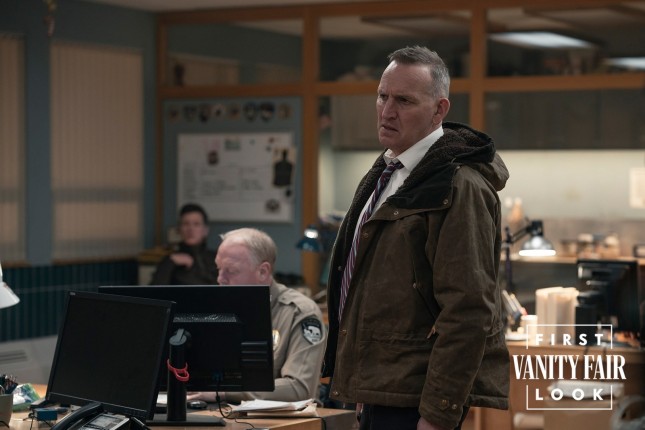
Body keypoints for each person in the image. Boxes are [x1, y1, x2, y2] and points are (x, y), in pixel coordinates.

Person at [322, 46, 510, 430]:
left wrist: (438, 414)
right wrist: (362, 384)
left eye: (404, 101)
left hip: (418, 399)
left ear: (439, 110)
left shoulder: (458, 185)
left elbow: (469, 311)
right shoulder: (387, 172)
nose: (387, 111)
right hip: (380, 389)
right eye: (382, 96)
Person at [188, 227, 326, 403]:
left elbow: (299, 388)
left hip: (280, 416)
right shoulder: (219, 308)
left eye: (231, 271)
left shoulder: (299, 312)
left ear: (263, 272)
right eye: (219, 269)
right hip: (217, 409)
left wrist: (223, 392)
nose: (220, 279)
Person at [150, 203, 218, 285]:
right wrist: (169, 263)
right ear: (179, 229)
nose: (190, 229)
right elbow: (154, 289)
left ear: (205, 230)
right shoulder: (171, 260)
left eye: (196, 224)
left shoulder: (217, 259)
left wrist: (192, 269)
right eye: (186, 224)